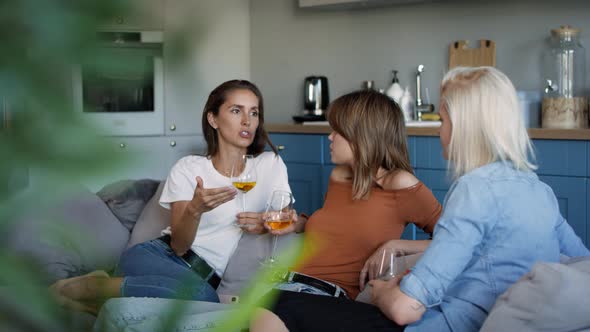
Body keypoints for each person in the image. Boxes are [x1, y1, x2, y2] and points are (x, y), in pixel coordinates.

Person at [251, 66, 590, 332]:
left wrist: (383, 292)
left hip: (447, 325)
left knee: (282, 305)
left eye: (443, 120)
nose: (440, 130)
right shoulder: (538, 190)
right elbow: (581, 265)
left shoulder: (474, 190)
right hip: (468, 316)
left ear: (465, 126)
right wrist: (403, 249)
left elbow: (403, 309)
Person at [50, 79, 292, 314]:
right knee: (204, 297)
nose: (247, 121)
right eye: (236, 110)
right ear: (213, 118)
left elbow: (289, 217)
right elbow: (178, 245)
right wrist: (194, 210)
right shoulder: (189, 168)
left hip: (202, 278)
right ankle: (92, 286)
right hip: (158, 257)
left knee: (199, 295)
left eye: (254, 113)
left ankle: (103, 298)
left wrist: (274, 221)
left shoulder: (270, 165)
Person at [252, 89, 442, 329]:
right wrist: (298, 224)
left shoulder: (400, 184)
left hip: (327, 297)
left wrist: (398, 246)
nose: (330, 137)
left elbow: (455, 241)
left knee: (273, 307)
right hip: (288, 286)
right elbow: (340, 230)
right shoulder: (339, 176)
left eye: (338, 131)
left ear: (361, 136)